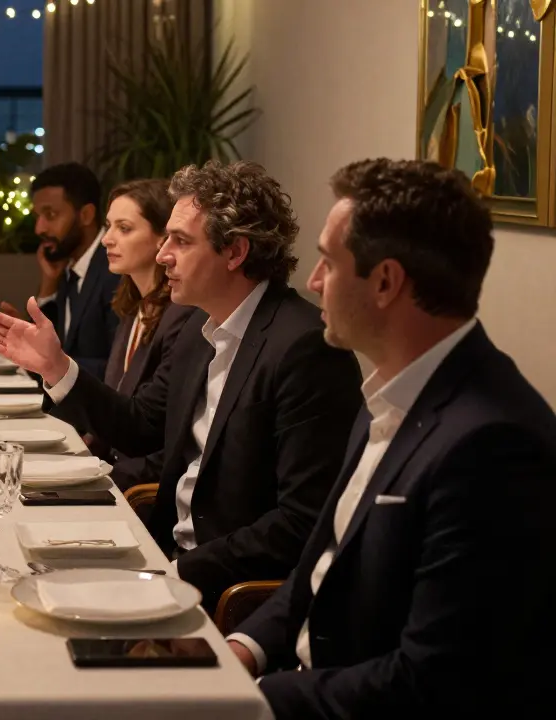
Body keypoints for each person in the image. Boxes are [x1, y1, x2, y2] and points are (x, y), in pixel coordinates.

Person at [227, 159, 556, 717]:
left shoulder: (493, 446)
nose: (312, 281)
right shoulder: (388, 390)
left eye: (328, 262)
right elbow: (319, 572)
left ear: (385, 283)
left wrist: (253, 700)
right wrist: (242, 648)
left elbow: (432, 680)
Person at [0, 161, 363, 609]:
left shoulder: (303, 347)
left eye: (181, 241)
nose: (162, 255)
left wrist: (172, 574)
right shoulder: (203, 325)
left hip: (223, 588)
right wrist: (56, 367)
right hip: (163, 553)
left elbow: (301, 522)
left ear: (234, 252)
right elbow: (140, 426)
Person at [87, 178, 197, 491]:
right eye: (108, 226)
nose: (107, 239)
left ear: (164, 238)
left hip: (140, 490)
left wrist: (103, 483)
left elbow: (162, 438)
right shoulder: (134, 309)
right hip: (114, 471)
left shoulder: (182, 315)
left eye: (124, 228)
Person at [2, 162, 119, 377]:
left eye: (51, 215)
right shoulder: (70, 266)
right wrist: (49, 284)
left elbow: (119, 370)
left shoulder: (115, 269)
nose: (40, 228)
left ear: (86, 215)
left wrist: (46, 362)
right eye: (38, 216)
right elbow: (56, 347)